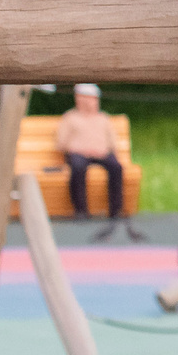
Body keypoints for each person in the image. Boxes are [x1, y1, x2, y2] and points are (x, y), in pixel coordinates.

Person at [59, 84, 144, 242]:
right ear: (79, 99)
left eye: (93, 99)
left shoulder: (103, 118)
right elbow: (61, 143)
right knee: (77, 168)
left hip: (102, 153)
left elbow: (112, 142)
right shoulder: (70, 118)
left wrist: (112, 154)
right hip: (79, 153)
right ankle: (81, 211)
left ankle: (115, 211)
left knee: (116, 168)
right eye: (85, 98)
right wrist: (80, 149)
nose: (90, 102)